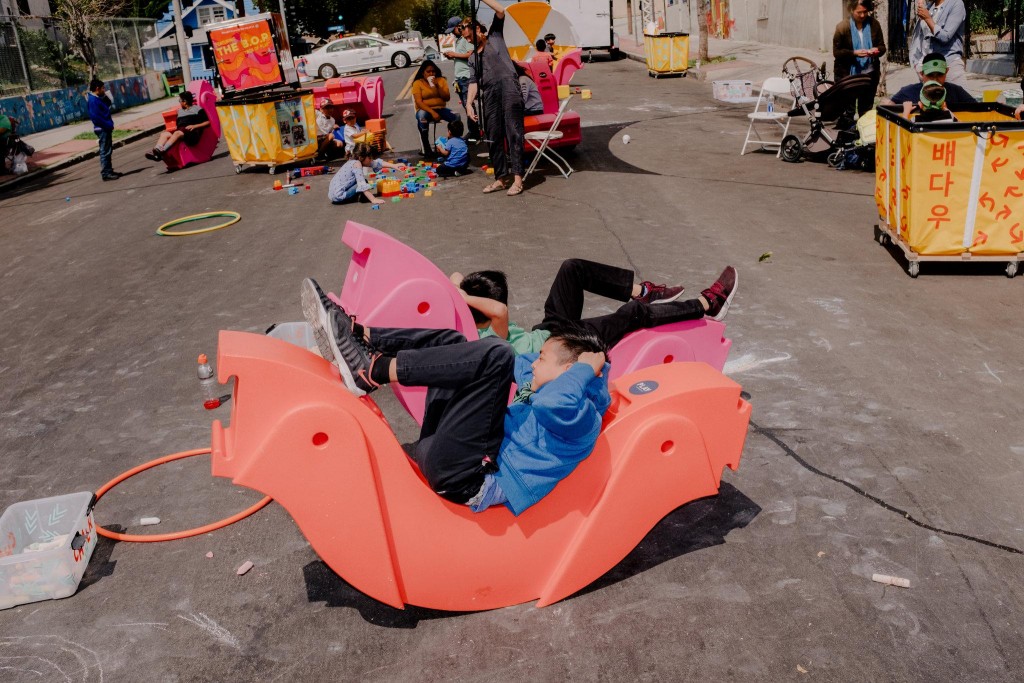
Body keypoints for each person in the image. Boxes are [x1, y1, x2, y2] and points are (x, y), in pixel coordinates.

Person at [301, 278, 610, 515]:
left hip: (472, 480)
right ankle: (363, 335)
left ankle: (373, 370)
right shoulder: (546, 386)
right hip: (443, 453)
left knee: (498, 353)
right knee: (457, 342)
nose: (535, 360)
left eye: (543, 357)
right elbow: (516, 363)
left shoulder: (581, 416)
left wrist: (584, 372)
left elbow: (553, 402)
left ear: (570, 371)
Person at [451, 261, 738, 356]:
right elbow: (500, 312)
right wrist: (463, 297)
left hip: (550, 330)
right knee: (631, 315)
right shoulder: (489, 337)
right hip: (561, 346)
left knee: (571, 269)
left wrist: (458, 295)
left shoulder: (466, 322)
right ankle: (707, 305)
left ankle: (644, 292)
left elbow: (452, 279)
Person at [466, 0, 526, 196]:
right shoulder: (473, 58)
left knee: (514, 133)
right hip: (490, 94)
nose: (469, 40)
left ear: (479, 30)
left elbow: (501, 10)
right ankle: (500, 178)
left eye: (471, 34)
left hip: (509, 87)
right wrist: (468, 104)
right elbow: (474, 83)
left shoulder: (495, 36)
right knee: (493, 137)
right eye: (466, 39)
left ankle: (517, 179)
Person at [832, 0, 886, 114]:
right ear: (852, 10)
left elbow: (882, 47)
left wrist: (876, 50)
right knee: (848, 110)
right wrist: (854, 53)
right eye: (859, 12)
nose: (862, 15)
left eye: (865, 12)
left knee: (866, 110)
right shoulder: (843, 27)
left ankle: (862, 131)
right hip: (848, 74)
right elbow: (837, 52)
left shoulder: (874, 24)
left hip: (869, 73)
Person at [882, 52, 973, 107]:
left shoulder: (956, 91)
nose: (935, 79)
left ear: (946, 71)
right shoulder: (908, 92)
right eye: (930, 75)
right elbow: (889, 107)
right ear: (922, 73)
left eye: (939, 75)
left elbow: (978, 108)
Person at [908, 0, 966, 86]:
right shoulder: (929, 7)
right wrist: (918, 63)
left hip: (949, 65)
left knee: (959, 99)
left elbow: (945, 36)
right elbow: (921, 39)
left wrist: (928, 19)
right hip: (929, 68)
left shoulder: (956, 3)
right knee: (931, 99)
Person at [411, 59, 460, 157]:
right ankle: (427, 148)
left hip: (441, 109)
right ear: (423, 73)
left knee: (456, 116)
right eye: (428, 72)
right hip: (426, 110)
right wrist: (432, 113)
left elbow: (447, 98)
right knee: (421, 117)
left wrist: (437, 86)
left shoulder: (441, 80)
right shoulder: (417, 83)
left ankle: (452, 145)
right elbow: (419, 102)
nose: (431, 73)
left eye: (433, 71)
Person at [144, 90, 210, 162]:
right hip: (181, 133)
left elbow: (207, 122)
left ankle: (162, 152)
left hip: (192, 134)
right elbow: (178, 126)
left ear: (185, 102)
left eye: (180, 100)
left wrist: (194, 126)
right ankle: (156, 152)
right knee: (165, 134)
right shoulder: (180, 111)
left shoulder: (197, 109)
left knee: (177, 133)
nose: (179, 102)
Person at [327, 142, 400, 205]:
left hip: (332, 195)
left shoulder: (353, 160)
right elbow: (362, 184)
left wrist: (394, 166)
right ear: (361, 157)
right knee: (364, 181)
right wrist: (373, 199)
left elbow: (376, 163)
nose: (371, 160)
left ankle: (356, 196)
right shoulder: (357, 164)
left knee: (359, 181)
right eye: (370, 158)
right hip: (339, 196)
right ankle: (357, 197)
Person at [443, 17, 480, 140]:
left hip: (466, 77)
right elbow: (462, 56)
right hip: (460, 78)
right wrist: (451, 56)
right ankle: (474, 131)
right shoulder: (459, 40)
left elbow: (470, 54)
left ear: (459, 26)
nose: (453, 32)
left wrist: (454, 54)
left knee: (468, 105)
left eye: (453, 29)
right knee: (466, 105)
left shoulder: (465, 39)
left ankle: (474, 132)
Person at [86, 79, 120, 181]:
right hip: (102, 128)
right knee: (105, 151)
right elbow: (96, 117)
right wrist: (107, 125)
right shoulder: (93, 100)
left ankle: (109, 170)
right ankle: (106, 173)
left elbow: (107, 105)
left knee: (108, 150)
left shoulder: (98, 98)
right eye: (103, 88)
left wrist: (105, 97)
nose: (104, 90)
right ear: (97, 89)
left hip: (105, 127)